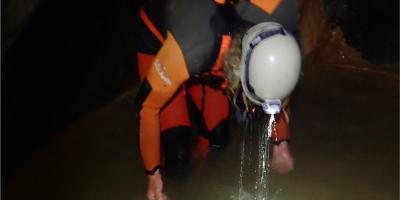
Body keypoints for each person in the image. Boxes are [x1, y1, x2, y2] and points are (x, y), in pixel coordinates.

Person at [134, 0, 299, 199]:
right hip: (162, 42)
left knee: (218, 142)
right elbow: (148, 106)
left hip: (214, 45)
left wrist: (281, 141)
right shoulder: (194, 47)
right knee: (177, 154)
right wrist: (152, 174)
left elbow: (277, 83)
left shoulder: (278, 23)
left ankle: (201, 173)